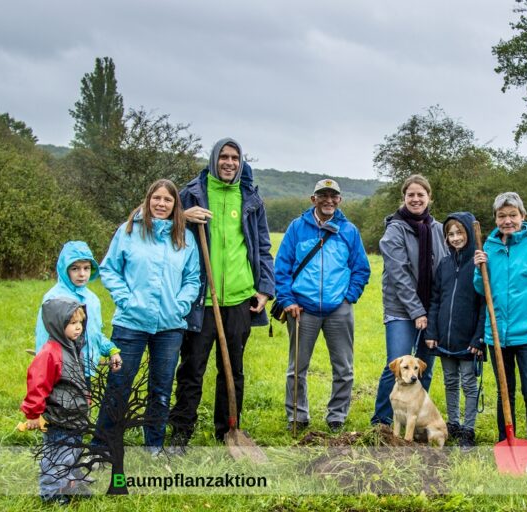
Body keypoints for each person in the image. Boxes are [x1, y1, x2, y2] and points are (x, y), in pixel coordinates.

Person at [169, 138, 275, 446]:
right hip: (202, 299)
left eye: (235, 157)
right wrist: (182, 216)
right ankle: (180, 432)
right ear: (214, 159)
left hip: (240, 298)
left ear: (241, 162)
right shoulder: (192, 194)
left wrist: (264, 290)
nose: (229, 162)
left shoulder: (250, 197)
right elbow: (161, 226)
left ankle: (228, 430)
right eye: (224, 157)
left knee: (233, 370)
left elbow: (263, 247)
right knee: (192, 368)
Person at [95, 179, 200, 453]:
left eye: (167, 200)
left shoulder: (184, 237)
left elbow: (192, 278)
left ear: (175, 204)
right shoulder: (129, 231)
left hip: (170, 326)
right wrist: (125, 299)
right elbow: (109, 269)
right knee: (119, 385)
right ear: (148, 200)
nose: (161, 204)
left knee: (161, 390)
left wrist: (181, 305)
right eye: (157, 198)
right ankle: (104, 444)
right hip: (130, 323)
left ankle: (153, 446)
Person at [274, 179, 370, 432]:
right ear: (313, 199)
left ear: (340, 200)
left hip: (339, 309)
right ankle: (297, 416)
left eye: (333, 196)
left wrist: (349, 297)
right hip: (302, 309)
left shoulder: (349, 231)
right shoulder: (297, 228)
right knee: (297, 368)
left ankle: (337, 416)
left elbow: (361, 268)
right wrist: (287, 301)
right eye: (323, 195)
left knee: (344, 368)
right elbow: (281, 267)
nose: (328, 200)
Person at [473, 192, 527, 460]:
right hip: (498, 335)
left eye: (513, 215)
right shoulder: (489, 246)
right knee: (504, 393)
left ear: (523, 216)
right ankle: (506, 441)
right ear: (496, 218)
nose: (507, 220)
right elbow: (481, 289)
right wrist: (479, 269)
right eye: (502, 216)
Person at [371, 174, 448, 426]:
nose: (416, 199)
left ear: (429, 198)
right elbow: (398, 274)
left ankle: (414, 421)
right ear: (403, 198)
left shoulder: (438, 230)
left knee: (422, 368)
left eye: (420, 194)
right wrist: (416, 311)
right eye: (411, 195)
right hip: (401, 310)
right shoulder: (395, 229)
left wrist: (436, 310)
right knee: (397, 365)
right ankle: (382, 421)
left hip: (431, 308)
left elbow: (446, 266)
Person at [22, 298, 94, 503]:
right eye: (72, 323)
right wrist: (33, 414)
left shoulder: (72, 347)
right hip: (59, 418)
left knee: (73, 454)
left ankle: (71, 486)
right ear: (57, 324)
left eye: (80, 322)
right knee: (56, 458)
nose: (78, 327)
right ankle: (52, 495)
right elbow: (37, 385)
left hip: (75, 417)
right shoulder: (50, 353)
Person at [424, 212, 486, 448]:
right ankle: (454, 423)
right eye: (450, 234)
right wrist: (432, 332)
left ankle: (468, 429)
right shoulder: (444, 264)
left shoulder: (478, 264)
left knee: (469, 384)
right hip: (445, 339)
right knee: (450, 382)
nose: (455, 237)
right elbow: (436, 300)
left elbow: (484, 305)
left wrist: (479, 337)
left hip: (469, 339)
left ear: (469, 233)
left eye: (459, 232)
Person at [34, 241, 122, 385]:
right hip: (61, 371)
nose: (82, 274)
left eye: (86, 268)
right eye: (75, 268)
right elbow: (45, 336)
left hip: (84, 370)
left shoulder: (92, 299)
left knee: (81, 406)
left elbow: (94, 333)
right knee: (61, 407)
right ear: (65, 269)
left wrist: (111, 349)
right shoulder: (54, 298)